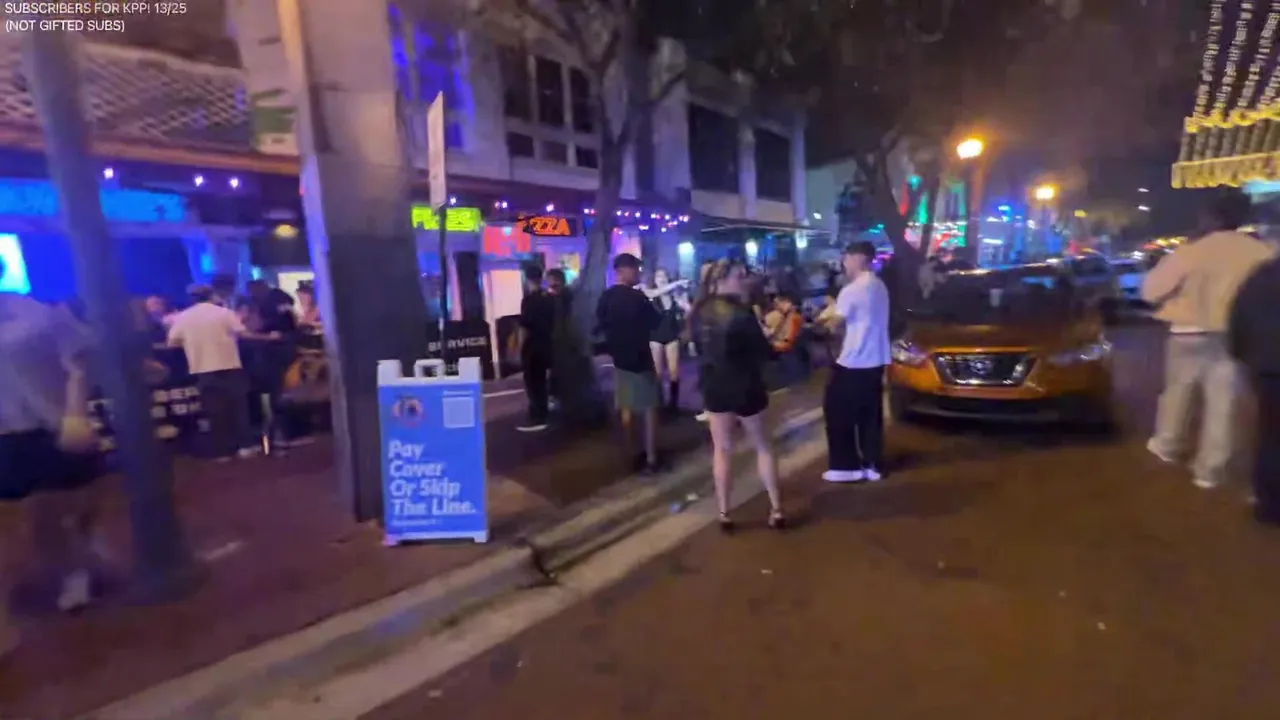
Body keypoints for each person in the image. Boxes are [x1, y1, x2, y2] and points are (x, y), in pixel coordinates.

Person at [0, 261, 104, 656]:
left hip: (56, 425)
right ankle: (70, 569)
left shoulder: (37, 313)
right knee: (35, 513)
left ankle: (78, 561)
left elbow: (81, 359)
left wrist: (76, 413)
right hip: (9, 431)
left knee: (70, 504)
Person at [1142, 190, 1275, 489]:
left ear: (1209, 216)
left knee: (1178, 392)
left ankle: (1168, 444)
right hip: (1233, 333)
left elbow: (1151, 291)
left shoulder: (1193, 250)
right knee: (1223, 403)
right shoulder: (1260, 252)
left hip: (1187, 332)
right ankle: (1211, 470)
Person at [692, 259, 785, 531]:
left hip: (715, 387)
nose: (743, 280)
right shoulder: (742, 313)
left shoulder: (698, 312)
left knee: (722, 449)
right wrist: (772, 341)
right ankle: (776, 508)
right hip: (746, 386)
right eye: (738, 276)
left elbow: (699, 349)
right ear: (721, 279)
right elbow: (763, 354)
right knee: (763, 445)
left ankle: (724, 512)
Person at [168, 285, 265, 461]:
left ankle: (223, 452)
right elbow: (243, 333)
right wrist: (268, 337)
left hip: (202, 369)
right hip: (229, 365)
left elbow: (172, 342)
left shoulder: (183, 317)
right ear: (211, 295)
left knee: (215, 412)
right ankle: (245, 447)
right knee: (238, 409)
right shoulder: (224, 313)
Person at [821, 241, 891, 483]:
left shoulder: (852, 289)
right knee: (870, 414)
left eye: (847, 258)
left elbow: (834, 325)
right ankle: (873, 464)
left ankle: (845, 466)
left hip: (854, 361)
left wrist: (826, 316)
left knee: (836, 410)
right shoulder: (879, 285)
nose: (844, 263)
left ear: (859, 258)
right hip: (876, 359)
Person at [596, 253, 663, 473]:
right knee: (649, 408)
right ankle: (651, 458)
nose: (638, 274)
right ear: (623, 271)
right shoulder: (637, 298)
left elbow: (599, 325)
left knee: (627, 408)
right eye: (635, 269)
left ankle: (632, 453)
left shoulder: (606, 297)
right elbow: (656, 322)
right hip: (641, 360)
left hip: (620, 360)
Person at [1229, 253, 1280, 525]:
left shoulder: (1261, 275)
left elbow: (1238, 318)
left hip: (1267, 367)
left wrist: (1244, 355)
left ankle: (1270, 505)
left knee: (1271, 436)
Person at [643, 268, 691, 414]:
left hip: (671, 336)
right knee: (657, 373)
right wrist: (677, 283)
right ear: (654, 279)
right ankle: (658, 404)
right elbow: (651, 293)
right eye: (658, 276)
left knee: (674, 372)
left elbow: (689, 310)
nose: (662, 279)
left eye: (664, 276)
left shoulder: (674, 296)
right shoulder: (649, 293)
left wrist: (684, 301)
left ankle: (673, 406)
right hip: (655, 337)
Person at [517, 265, 556, 432]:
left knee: (533, 382)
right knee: (541, 380)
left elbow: (525, 327)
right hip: (547, 344)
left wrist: (519, 347)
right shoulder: (550, 299)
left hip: (532, 346)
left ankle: (538, 416)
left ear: (527, 279)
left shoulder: (528, 300)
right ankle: (543, 411)